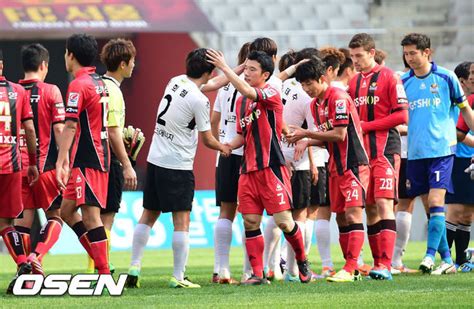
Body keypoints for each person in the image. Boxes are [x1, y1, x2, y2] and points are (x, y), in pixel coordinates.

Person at [126, 48, 231, 289]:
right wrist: (223, 148)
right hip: (178, 165)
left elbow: (212, 82)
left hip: (155, 159)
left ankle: (134, 266)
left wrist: (234, 70)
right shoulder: (199, 100)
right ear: (207, 70)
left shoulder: (176, 81)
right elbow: (207, 139)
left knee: (148, 215)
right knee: (182, 221)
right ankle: (178, 276)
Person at [207, 49, 312, 285]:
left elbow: (246, 90)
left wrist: (225, 68)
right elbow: (242, 136)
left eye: (252, 69)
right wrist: (226, 146)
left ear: (265, 74)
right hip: (248, 171)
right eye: (245, 68)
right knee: (250, 222)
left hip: (271, 169)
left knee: (284, 221)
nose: (246, 73)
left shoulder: (271, 93)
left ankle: (303, 260)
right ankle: (257, 273)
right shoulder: (242, 102)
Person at [288, 57, 369, 283]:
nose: (306, 89)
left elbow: (340, 135)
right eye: (302, 85)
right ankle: (349, 267)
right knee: (341, 217)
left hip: (353, 164)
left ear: (323, 78)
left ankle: (352, 267)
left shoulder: (339, 98)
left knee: (353, 214)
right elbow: (327, 139)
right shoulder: (315, 105)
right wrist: (307, 142)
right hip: (336, 166)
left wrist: (306, 135)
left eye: (309, 84)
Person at [401, 32, 474, 275]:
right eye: (406, 53)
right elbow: (401, 117)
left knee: (435, 202)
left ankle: (429, 256)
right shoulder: (403, 82)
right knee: (432, 209)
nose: (409, 57)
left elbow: (465, 110)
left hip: (442, 150)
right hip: (415, 153)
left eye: (413, 53)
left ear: (427, 53)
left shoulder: (446, 77)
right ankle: (447, 259)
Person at [348, 33, 409, 280]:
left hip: (385, 150)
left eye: (359, 56)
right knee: (370, 207)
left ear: (372, 53)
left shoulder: (390, 78)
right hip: (363, 153)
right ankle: (377, 263)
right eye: (352, 57)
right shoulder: (352, 83)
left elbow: (402, 117)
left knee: (384, 203)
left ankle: (386, 264)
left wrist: (366, 126)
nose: (355, 61)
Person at [57, 33, 111, 276]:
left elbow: (70, 125)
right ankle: (100, 259)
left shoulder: (78, 84)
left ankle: (104, 273)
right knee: (66, 211)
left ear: (71, 55)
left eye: (66, 52)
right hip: (97, 155)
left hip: (88, 157)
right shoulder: (99, 81)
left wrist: (61, 160)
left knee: (91, 216)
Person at [84, 38, 139, 273]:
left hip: (92, 157)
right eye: (133, 61)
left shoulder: (97, 84)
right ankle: (99, 270)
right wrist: (126, 163)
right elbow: (113, 130)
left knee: (92, 217)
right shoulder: (113, 91)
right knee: (106, 220)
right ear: (124, 64)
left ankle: (95, 269)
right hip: (109, 160)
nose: (134, 66)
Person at [13, 43, 65, 275]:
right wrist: (65, 162)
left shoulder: (11, 93)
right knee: (57, 215)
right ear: (44, 65)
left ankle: (23, 267)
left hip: (17, 168)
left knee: (22, 224)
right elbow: (59, 131)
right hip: (45, 167)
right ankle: (37, 256)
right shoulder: (51, 90)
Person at [0, 48, 39, 293]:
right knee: (6, 221)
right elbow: (30, 130)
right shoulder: (18, 91)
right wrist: (33, 162)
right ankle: (23, 261)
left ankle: (23, 262)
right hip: (12, 165)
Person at [211, 42, 250, 284]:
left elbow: (214, 119)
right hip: (247, 154)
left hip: (224, 154)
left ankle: (220, 270)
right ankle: (250, 271)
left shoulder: (225, 87)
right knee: (251, 214)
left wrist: (219, 144)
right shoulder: (252, 87)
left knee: (226, 212)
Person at [279, 50, 316, 282]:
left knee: (276, 215)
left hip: (275, 158)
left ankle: (270, 267)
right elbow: (313, 128)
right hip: (298, 161)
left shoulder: (275, 87)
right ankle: (294, 270)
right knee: (301, 215)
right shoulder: (304, 94)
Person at [446, 61, 474, 272]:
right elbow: (458, 133)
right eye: (470, 74)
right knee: (455, 210)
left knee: (467, 214)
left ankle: (462, 259)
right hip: (461, 159)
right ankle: (446, 259)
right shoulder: (462, 102)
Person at [392, 55, 418, 274]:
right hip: (404, 150)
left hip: (405, 151)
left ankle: (391, 260)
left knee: (397, 205)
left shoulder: (396, 79)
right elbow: (399, 122)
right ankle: (394, 261)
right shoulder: (399, 80)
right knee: (402, 205)